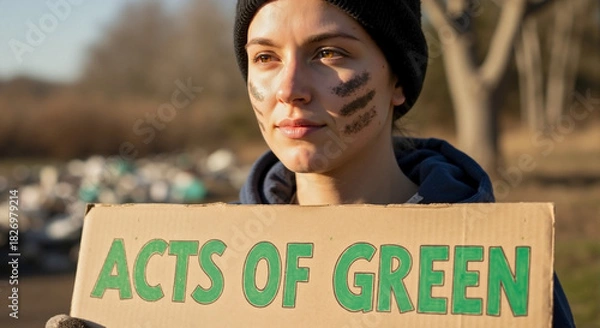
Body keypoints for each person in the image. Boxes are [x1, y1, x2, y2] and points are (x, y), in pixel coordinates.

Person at [48, 0, 575, 327]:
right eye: (265, 57)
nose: (290, 89)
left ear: (397, 81)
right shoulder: (197, 271)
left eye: (330, 54)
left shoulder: (501, 273)